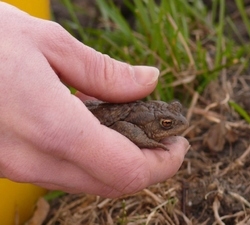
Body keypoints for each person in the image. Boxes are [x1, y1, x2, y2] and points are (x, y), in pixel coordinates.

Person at [0, 2, 189, 197]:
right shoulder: (138, 124)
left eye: (172, 115)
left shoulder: (142, 115)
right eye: (166, 124)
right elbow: (124, 126)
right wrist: (148, 142)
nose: (180, 123)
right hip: (90, 116)